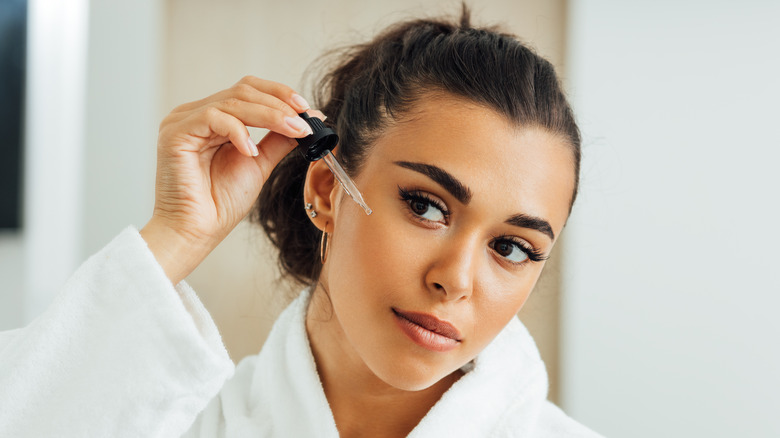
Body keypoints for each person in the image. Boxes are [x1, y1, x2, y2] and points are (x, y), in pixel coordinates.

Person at [0, 8, 604, 438]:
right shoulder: (173, 421)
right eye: (425, 206)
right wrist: (176, 236)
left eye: (512, 247)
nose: (457, 279)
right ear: (326, 190)